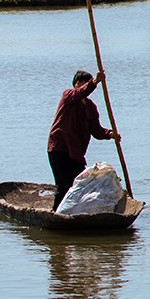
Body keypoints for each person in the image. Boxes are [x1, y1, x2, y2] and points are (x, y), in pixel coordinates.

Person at [47, 69, 119, 210]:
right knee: (63, 186)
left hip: (76, 152)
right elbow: (81, 92)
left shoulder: (90, 107)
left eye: (86, 82)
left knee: (79, 185)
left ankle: (75, 212)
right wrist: (94, 82)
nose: (82, 85)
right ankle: (56, 213)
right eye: (81, 82)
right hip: (59, 148)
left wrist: (110, 134)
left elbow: (96, 130)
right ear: (75, 84)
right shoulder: (68, 96)